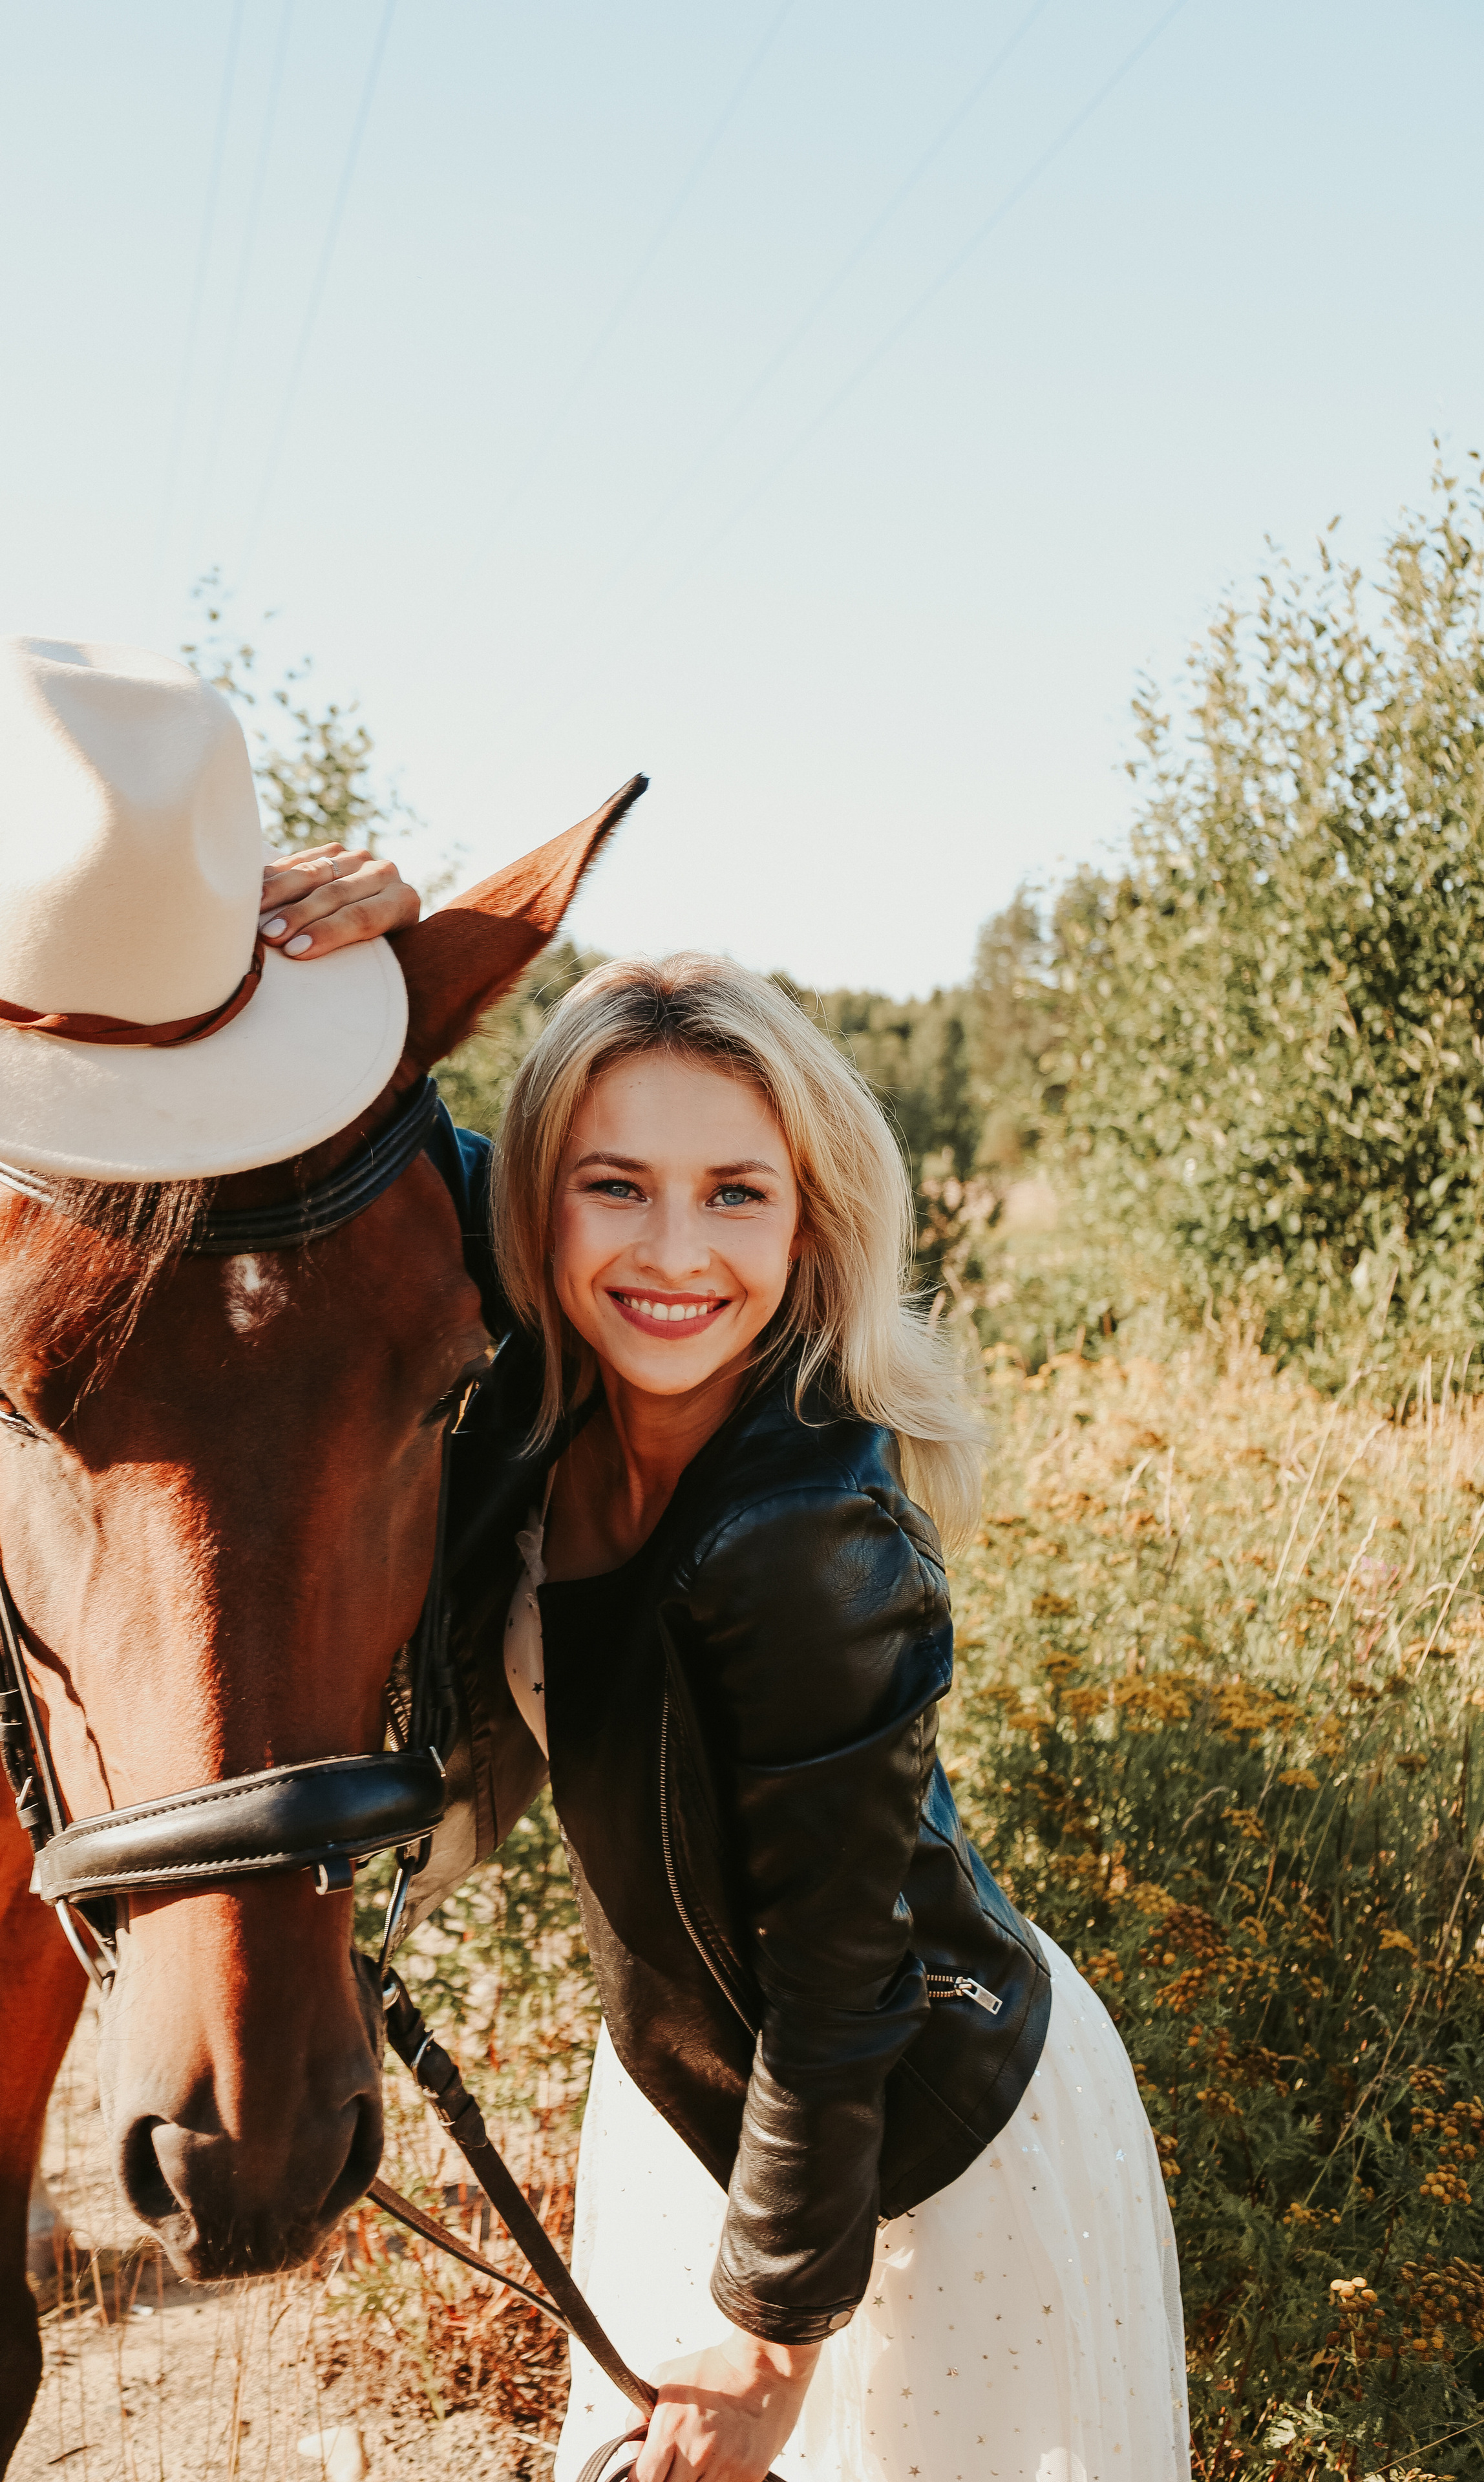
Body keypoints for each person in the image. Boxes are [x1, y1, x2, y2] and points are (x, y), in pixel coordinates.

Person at [261, 869, 1191, 2481]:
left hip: (900, 2152)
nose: (671, 1253)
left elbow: (841, 1988)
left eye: (736, 1196)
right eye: (613, 1187)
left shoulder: (805, 1545)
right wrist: (322, 970)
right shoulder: (558, 1395)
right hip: (693, 2103)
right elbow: (356, 1158)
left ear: (809, 1214)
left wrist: (767, 2357)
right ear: (536, 1205)